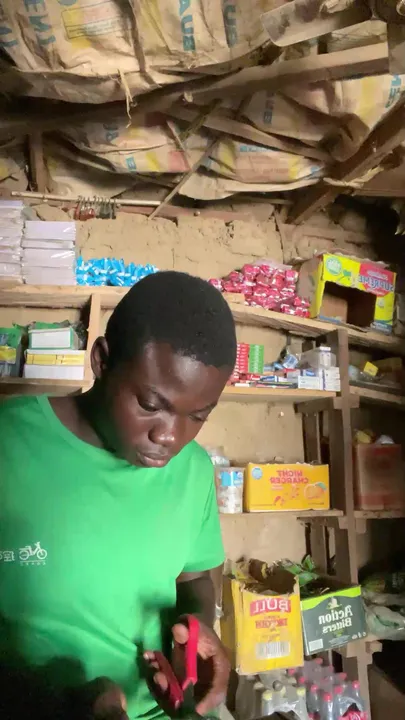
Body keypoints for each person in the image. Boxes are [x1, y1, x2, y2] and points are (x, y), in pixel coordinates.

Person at [0, 271, 237, 720]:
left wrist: (197, 631)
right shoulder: (9, 441)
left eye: (197, 416)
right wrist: (53, 700)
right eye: (151, 404)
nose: (170, 437)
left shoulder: (192, 470)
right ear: (103, 361)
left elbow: (194, 579)